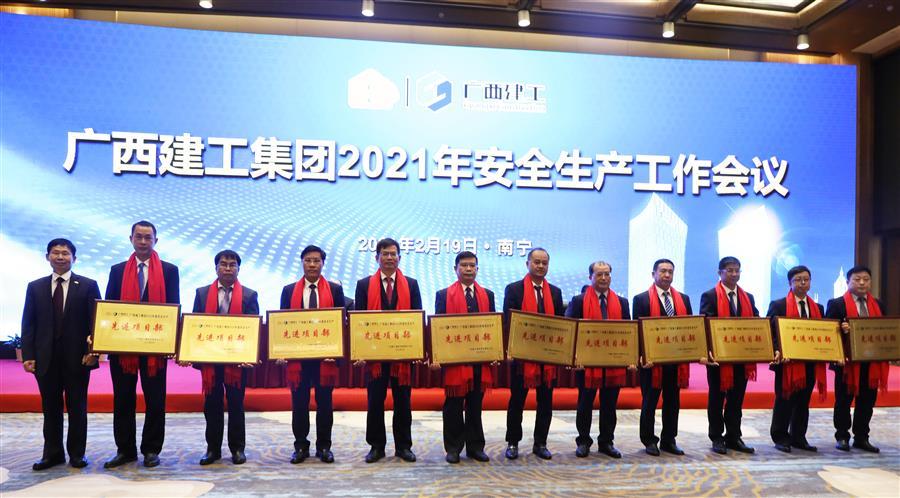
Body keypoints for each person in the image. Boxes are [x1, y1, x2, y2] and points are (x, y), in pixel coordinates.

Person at [103, 221, 180, 469]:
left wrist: (173, 342)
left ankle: (151, 449)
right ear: (131, 239)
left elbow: (174, 307)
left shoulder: (169, 270)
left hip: (155, 348)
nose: (143, 242)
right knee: (123, 399)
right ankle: (125, 450)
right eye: (139, 237)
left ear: (156, 240)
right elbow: (109, 308)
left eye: (148, 237)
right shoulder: (117, 270)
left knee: (155, 400)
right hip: (123, 348)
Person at [21, 238, 101, 470]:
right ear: (47, 257)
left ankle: (77, 454)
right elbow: (28, 323)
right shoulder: (35, 287)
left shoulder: (88, 285)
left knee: (78, 407)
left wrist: (93, 352)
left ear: (74, 258)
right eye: (55, 253)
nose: (60, 257)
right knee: (50, 408)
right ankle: (52, 454)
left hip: (78, 358)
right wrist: (28, 354)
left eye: (65, 253)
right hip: (45, 358)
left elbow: (96, 322)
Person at [354, 238, 423, 463]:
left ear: (399, 258)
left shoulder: (411, 284)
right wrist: (359, 351)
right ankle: (376, 446)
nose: (390, 258)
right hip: (375, 356)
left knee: (403, 403)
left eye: (393, 254)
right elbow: (358, 322)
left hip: (402, 356)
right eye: (385, 254)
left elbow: (417, 319)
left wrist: (417, 350)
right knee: (375, 402)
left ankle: (403, 446)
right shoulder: (364, 285)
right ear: (377, 257)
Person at [188, 250, 258, 466]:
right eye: (224, 264)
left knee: (236, 404)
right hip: (210, 361)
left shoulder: (249, 295)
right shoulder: (201, 294)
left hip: (237, 362)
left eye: (232, 264)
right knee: (212, 405)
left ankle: (237, 449)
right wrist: (190, 352)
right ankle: (213, 449)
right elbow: (195, 325)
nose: (228, 268)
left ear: (238, 268)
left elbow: (253, 329)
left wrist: (250, 354)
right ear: (216, 267)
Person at [279, 245, 346, 464]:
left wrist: (337, 353)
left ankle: (324, 447)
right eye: (308, 260)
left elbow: (341, 323)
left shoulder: (335, 290)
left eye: (316, 260)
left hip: (325, 359)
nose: (312, 264)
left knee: (324, 404)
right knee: (299, 404)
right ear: (302, 263)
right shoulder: (289, 290)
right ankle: (300, 446)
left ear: (323, 263)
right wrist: (281, 350)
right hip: (299, 360)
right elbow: (282, 323)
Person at [566, 261, 633, 459]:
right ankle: (583, 441)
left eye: (607, 274)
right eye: (599, 274)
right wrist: (574, 357)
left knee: (609, 405)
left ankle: (606, 442)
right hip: (587, 364)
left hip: (613, 363)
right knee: (585, 403)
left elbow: (629, 333)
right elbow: (570, 330)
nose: (604, 278)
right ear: (590, 277)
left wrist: (629, 357)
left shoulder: (622, 303)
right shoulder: (578, 301)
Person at [433, 251, 495, 464]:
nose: (468, 269)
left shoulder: (487, 295)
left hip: (479, 360)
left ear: (477, 269)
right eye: (464, 265)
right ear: (455, 269)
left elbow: (493, 327)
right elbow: (438, 328)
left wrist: (494, 352)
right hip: (454, 362)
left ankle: (475, 447)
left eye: (472, 265)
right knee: (453, 405)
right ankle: (453, 448)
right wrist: (437, 355)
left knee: (475, 405)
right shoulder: (443, 295)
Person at [503, 247, 564, 460]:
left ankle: (541, 443)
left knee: (545, 403)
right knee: (517, 402)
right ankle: (513, 442)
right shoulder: (514, 289)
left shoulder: (555, 292)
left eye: (544, 263)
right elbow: (508, 322)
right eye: (536, 262)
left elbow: (560, 325)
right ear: (527, 263)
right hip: (522, 357)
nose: (540, 266)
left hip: (547, 358)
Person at [632, 258, 693, 456]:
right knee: (649, 402)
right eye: (663, 271)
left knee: (672, 403)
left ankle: (669, 440)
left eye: (670, 272)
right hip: (652, 363)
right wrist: (643, 356)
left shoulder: (683, 299)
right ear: (653, 274)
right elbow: (638, 332)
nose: (667, 275)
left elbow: (691, 329)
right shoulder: (641, 299)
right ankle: (649, 440)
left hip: (675, 361)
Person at [698, 256, 758, 455]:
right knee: (717, 398)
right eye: (730, 270)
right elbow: (705, 324)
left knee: (736, 400)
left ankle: (733, 437)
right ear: (720, 273)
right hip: (719, 359)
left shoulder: (748, 298)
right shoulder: (709, 296)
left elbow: (757, 323)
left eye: (737, 270)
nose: (734, 274)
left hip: (741, 357)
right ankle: (716, 437)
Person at [826, 265, 887, 453]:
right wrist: (840, 328)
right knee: (843, 401)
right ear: (848, 282)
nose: (862, 283)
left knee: (867, 402)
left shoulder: (878, 305)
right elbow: (828, 331)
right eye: (857, 279)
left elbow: (884, 331)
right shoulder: (836, 304)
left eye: (866, 279)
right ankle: (842, 436)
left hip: (871, 362)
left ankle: (861, 437)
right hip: (846, 363)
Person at [766, 265, 826, 453]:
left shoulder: (818, 308)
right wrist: (777, 350)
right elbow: (770, 332)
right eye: (798, 280)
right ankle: (780, 436)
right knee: (784, 400)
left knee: (803, 401)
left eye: (806, 279)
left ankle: (798, 437)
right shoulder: (779, 305)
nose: (802, 283)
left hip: (809, 362)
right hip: (786, 363)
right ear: (790, 283)